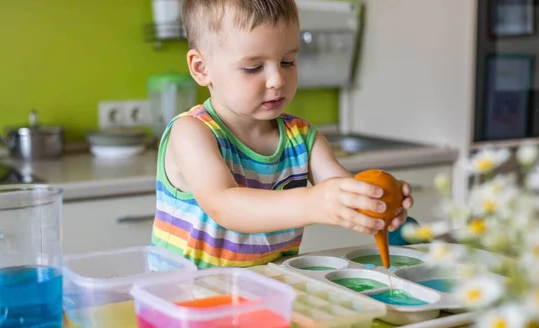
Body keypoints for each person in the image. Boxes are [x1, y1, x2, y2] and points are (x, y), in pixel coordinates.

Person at [151, 0, 414, 269]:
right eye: (254, 67)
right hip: (184, 299)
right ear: (201, 68)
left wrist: (378, 201)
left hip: (266, 293)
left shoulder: (302, 139)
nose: (277, 79)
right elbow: (224, 206)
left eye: (287, 61)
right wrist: (314, 202)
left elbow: (342, 192)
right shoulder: (192, 132)